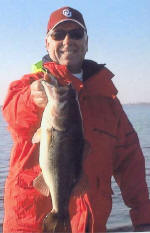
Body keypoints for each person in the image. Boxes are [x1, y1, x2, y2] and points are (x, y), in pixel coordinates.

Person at [2, 6, 150, 233]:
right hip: (30, 225)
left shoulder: (108, 101)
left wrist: (143, 217)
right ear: (47, 43)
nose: (67, 40)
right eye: (59, 34)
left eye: (76, 34)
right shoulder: (30, 86)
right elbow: (13, 116)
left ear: (86, 42)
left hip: (90, 225)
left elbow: (130, 163)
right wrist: (31, 100)